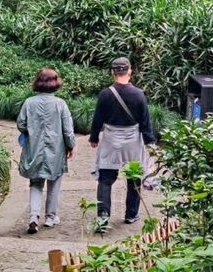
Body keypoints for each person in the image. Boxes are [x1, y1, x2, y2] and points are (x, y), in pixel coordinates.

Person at [89, 58, 154, 226]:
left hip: (110, 139)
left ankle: (103, 217)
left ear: (112, 72)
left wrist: (94, 137)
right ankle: (131, 215)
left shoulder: (105, 94)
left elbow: (98, 118)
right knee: (134, 177)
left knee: (105, 177)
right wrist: (150, 142)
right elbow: (145, 121)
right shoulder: (138, 94)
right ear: (129, 71)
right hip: (132, 140)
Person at [17, 68, 75, 234]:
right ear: (55, 83)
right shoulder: (60, 104)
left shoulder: (29, 103)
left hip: (34, 149)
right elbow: (68, 130)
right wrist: (70, 145)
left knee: (35, 183)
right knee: (54, 181)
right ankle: (50, 217)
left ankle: (33, 217)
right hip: (55, 150)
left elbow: (21, 124)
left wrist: (31, 131)